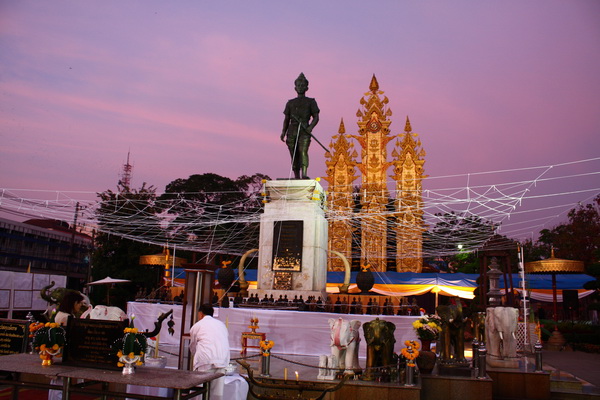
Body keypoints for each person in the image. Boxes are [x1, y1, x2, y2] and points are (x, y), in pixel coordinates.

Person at [280, 73, 320, 179]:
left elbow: (316, 117)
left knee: (302, 151)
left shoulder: (311, 102)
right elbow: (286, 119)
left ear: (307, 87)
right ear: (295, 87)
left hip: (304, 129)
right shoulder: (290, 103)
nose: (300, 87)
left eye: (302, 85)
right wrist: (283, 132)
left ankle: (304, 174)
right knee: (294, 154)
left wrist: (310, 128)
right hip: (292, 129)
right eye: (298, 85)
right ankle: (296, 175)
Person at [189, 303, 230, 400]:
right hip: (222, 360)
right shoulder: (221, 325)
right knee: (217, 394)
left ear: (200, 314)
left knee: (199, 392)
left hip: (205, 360)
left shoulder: (197, 326)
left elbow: (193, 346)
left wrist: (194, 356)